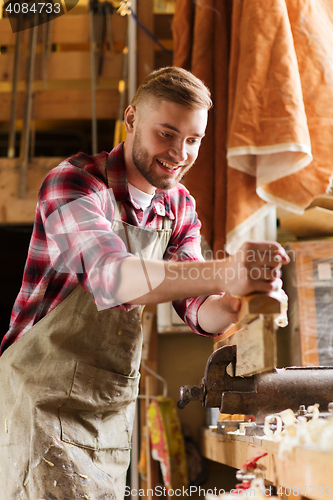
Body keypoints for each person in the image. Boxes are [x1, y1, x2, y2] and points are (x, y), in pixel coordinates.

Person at [0, 67, 289, 499]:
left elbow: (196, 307)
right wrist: (227, 270)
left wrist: (233, 304)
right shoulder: (76, 182)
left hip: (108, 408)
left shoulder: (178, 206)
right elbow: (113, 278)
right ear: (131, 118)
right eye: (167, 134)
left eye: (193, 140)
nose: (180, 153)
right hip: (39, 401)